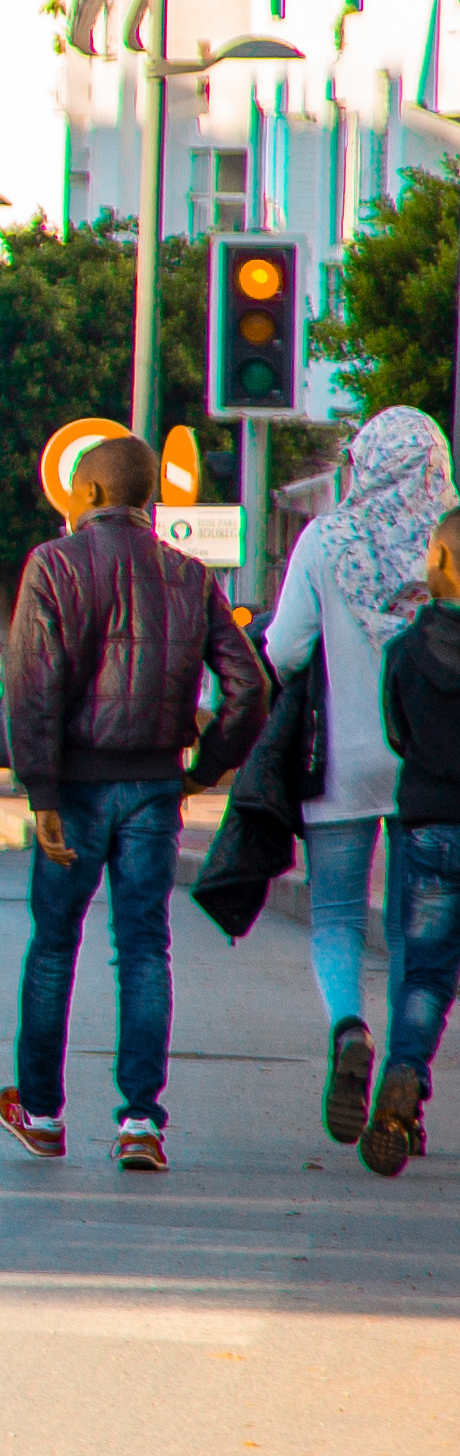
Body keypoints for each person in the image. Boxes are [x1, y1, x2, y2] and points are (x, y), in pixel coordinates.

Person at [1, 429, 272, 1171]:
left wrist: (42, 789)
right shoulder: (187, 574)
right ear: (146, 498)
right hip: (155, 787)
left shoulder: (52, 566)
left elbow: (32, 688)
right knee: (144, 948)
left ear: (87, 494)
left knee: (55, 944)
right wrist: (201, 769)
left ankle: (44, 1111)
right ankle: (141, 1123)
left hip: (77, 788)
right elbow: (251, 687)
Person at [259, 409, 447, 1145]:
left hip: (338, 761)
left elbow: (284, 649)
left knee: (335, 914)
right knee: (412, 932)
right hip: (428, 768)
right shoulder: (449, 543)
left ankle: (346, 1029)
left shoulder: (326, 538)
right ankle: (406, 1089)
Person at [360, 514, 460, 1177]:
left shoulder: (404, 649)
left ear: (442, 563)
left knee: (424, 969)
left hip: (427, 822)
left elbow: (395, 731)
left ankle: (402, 1074)